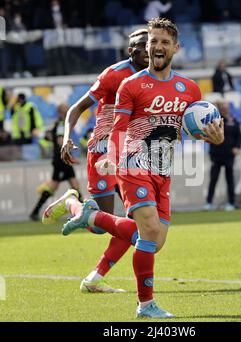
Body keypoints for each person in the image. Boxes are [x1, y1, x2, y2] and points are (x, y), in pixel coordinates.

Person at [43, 18, 224, 318]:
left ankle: (87, 213)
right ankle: (145, 305)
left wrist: (216, 136)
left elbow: (196, 127)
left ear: (176, 47)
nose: (157, 47)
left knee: (153, 240)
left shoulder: (190, 89)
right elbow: (118, 127)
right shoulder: (130, 83)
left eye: (164, 42)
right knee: (149, 230)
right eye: (153, 42)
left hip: (162, 169)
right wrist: (114, 156)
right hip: (132, 163)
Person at [56, 28, 149, 293]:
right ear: (130, 51)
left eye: (149, 43)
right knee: (101, 225)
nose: (146, 49)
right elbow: (77, 108)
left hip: (132, 154)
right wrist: (67, 138)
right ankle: (73, 204)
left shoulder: (155, 76)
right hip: (103, 151)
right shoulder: (114, 74)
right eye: (140, 45)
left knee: (139, 225)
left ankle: (95, 279)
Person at [30, 103, 82, 221]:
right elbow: (60, 141)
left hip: (62, 158)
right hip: (61, 158)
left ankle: (35, 211)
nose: (69, 110)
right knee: (71, 184)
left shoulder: (61, 123)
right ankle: (83, 211)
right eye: (67, 109)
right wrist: (70, 153)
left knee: (60, 185)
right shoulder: (60, 124)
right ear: (62, 112)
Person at [204, 100, 241, 211]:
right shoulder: (214, 120)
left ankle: (231, 203)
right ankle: (209, 203)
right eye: (223, 106)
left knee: (230, 179)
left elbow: (239, 136)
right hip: (216, 154)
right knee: (213, 179)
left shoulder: (233, 120)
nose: (225, 108)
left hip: (229, 155)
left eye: (226, 106)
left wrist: (237, 147)